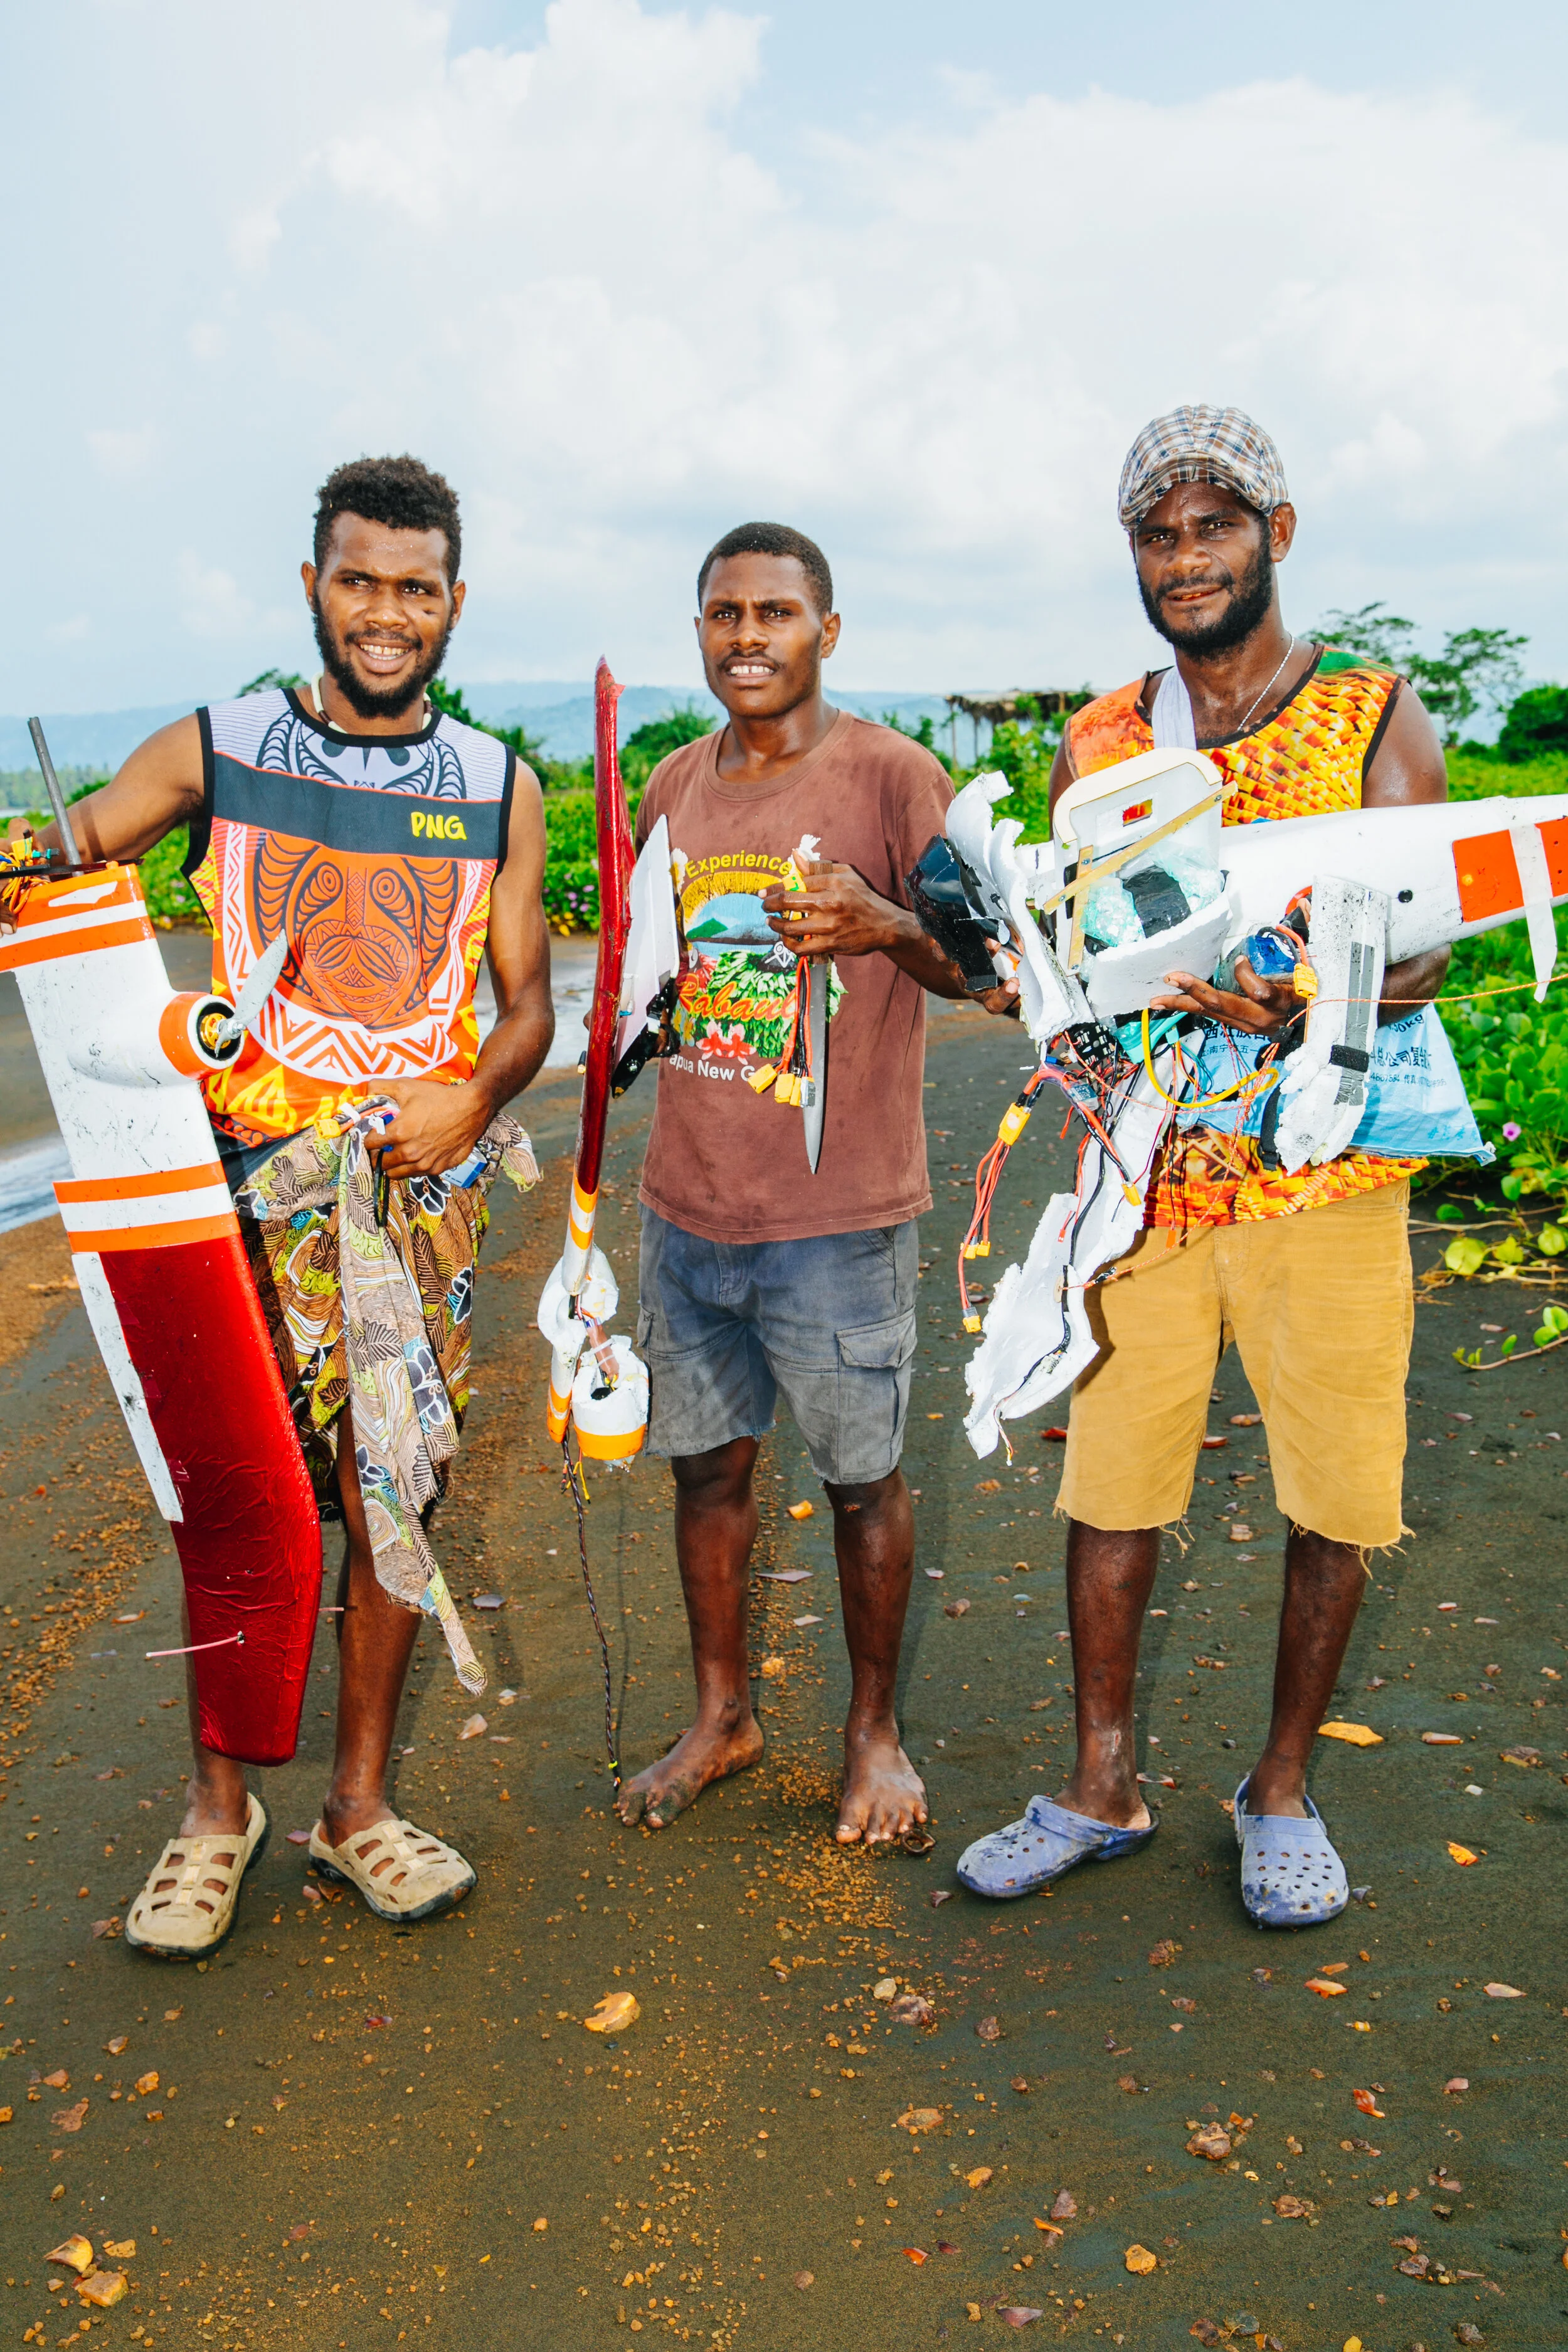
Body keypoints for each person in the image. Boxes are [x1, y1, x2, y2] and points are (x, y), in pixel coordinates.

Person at [45, 455, 553, 1954]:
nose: (384, 614)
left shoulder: (496, 789)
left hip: (415, 1201)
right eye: (357, 581)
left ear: (451, 604)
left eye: (414, 588)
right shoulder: (216, 750)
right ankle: (217, 1813)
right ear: (312, 588)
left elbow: (524, 1009)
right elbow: (65, 857)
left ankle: (355, 1808)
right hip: (236, 1200)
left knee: (390, 1491)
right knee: (233, 1488)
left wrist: (478, 1094)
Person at [956, 405, 1449, 1926]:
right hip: (1149, 1174)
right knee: (1111, 1488)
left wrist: (1323, 984)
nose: (1184, 557)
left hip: (1324, 1173)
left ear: (1274, 536)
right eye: (1156, 534)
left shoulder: (1369, 713)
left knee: (1335, 1493)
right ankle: (1099, 1785)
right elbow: (1077, 955)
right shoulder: (1102, 740)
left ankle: (1279, 1789)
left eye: (1213, 525)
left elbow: (1425, 932)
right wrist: (1034, 973)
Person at [617, 521, 999, 1845]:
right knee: (704, 1475)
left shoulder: (894, 778)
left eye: (774, 614)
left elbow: (985, 968)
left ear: (825, 633)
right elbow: (649, 976)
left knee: (859, 1480)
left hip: (834, 1220)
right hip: (687, 1204)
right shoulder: (670, 784)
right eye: (723, 614)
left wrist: (883, 923)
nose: (746, 638)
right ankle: (722, 1715)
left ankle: (872, 1733)